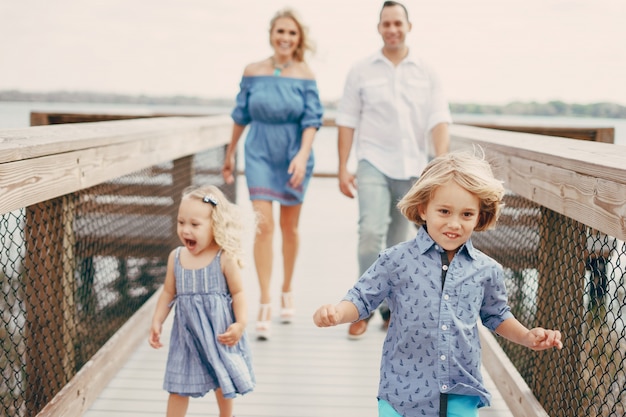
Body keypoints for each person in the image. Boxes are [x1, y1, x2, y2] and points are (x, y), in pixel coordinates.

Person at [313, 151, 563, 417]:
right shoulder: (396, 260)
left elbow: (496, 315)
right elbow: (362, 298)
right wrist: (338, 312)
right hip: (402, 392)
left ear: (480, 215)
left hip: (461, 391)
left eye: (467, 214)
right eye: (444, 211)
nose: (454, 224)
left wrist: (525, 336)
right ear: (423, 208)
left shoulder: (487, 270)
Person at [335, 0, 452, 339]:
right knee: (370, 233)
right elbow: (346, 119)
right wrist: (343, 166)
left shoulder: (426, 71)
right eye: (386, 24)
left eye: (397, 23)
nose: (392, 30)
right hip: (372, 160)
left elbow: (438, 118)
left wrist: (441, 165)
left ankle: (390, 306)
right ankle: (362, 305)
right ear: (379, 28)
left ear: (408, 27)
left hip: (414, 167)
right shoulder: (361, 70)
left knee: (399, 243)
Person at [222, 7, 323, 340]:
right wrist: (230, 152)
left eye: (292, 33)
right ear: (271, 34)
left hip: (293, 154)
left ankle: (287, 289)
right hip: (259, 152)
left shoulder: (306, 74)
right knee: (263, 227)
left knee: (289, 228)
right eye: (280, 31)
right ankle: (265, 298)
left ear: (299, 39)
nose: (285, 38)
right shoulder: (252, 71)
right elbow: (240, 115)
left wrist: (302, 154)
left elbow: (312, 120)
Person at [149, 185, 255, 417]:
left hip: (218, 335)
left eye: (195, 225)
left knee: (221, 380)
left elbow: (238, 293)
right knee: (177, 386)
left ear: (215, 225)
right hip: (186, 337)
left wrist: (240, 323)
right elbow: (168, 293)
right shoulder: (176, 258)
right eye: (181, 222)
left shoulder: (224, 258)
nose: (186, 230)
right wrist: (158, 320)